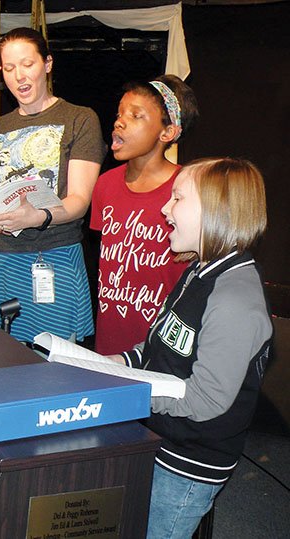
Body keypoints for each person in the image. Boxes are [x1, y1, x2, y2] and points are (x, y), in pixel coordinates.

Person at [115, 158, 272, 538]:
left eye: (177, 199)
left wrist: (130, 390)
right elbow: (157, 346)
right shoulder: (197, 272)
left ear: (217, 211)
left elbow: (205, 400)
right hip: (160, 441)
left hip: (187, 463)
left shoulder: (235, 298)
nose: (165, 209)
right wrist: (111, 365)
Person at [0, 27, 106, 343]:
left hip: (53, 256)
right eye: (9, 68)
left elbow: (78, 201)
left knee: (52, 363)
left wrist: (39, 217)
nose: (19, 76)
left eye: (28, 64)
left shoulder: (80, 118)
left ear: (47, 63)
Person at [90, 75, 200, 355]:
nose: (119, 122)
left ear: (168, 133)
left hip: (162, 345)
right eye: (119, 114)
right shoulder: (105, 184)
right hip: (110, 341)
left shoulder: (187, 188)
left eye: (136, 115)